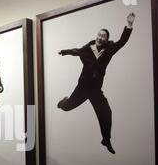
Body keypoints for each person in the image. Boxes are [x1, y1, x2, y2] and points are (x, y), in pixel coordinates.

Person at [56, 12, 136, 154]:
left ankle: (106, 140)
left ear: (106, 39)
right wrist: (64, 51)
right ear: (96, 36)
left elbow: (122, 42)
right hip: (82, 87)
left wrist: (129, 25)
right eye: (99, 35)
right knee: (67, 107)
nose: (100, 37)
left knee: (106, 112)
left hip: (95, 90)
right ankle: (63, 102)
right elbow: (76, 51)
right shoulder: (87, 49)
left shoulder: (109, 50)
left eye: (103, 36)